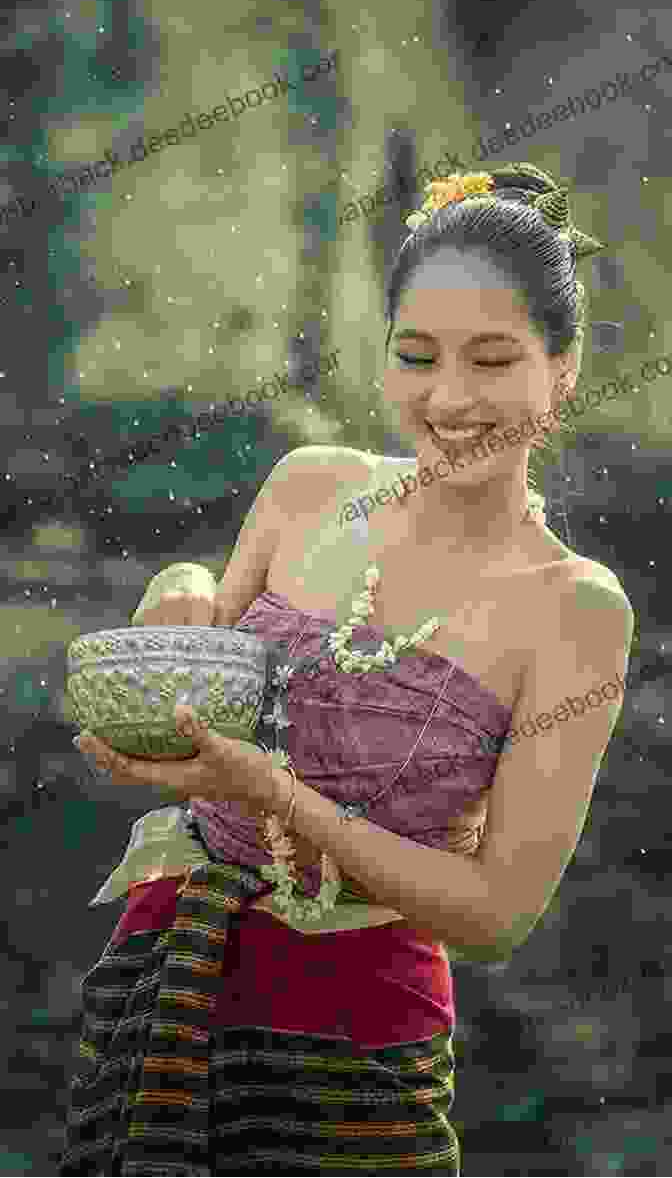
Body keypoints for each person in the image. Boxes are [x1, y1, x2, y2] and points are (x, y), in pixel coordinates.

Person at [59, 161, 635, 1176]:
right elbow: (198, 669)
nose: (449, 397)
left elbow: (497, 912)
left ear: (566, 369)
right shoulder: (308, 486)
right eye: (416, 356)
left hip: (359, 1027)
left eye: (494, 360)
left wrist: (272, 791)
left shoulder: (576, 608)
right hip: (167, 968)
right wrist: (177, 587)